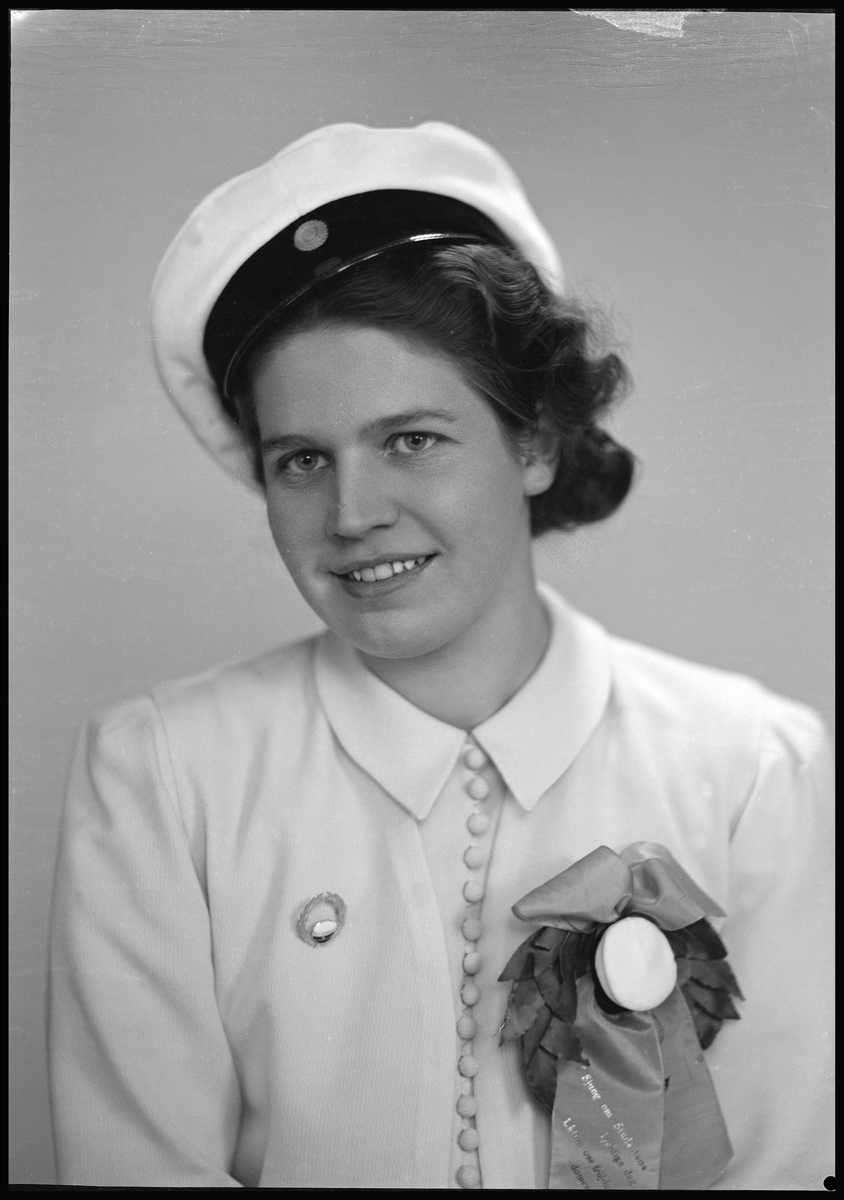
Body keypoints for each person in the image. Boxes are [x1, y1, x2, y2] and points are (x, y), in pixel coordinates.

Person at [48, 122, 833, 1190]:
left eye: (411, 440)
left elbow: (789, 1164)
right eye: (301, 461)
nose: (352, 513)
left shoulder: (754, 767)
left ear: (535, 439)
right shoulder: (163, 772)